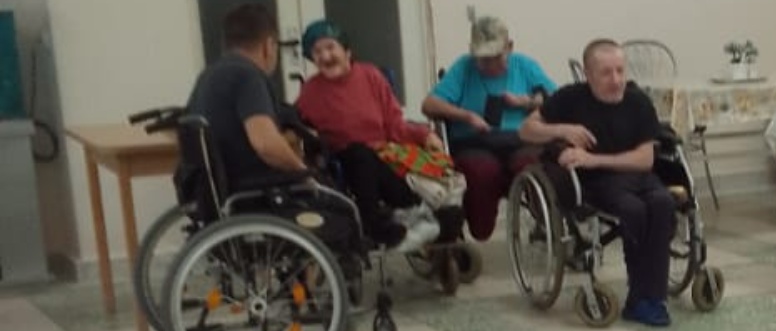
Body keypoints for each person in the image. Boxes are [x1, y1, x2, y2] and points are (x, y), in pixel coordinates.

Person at [519, 39, 676, 327]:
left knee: (663, 203)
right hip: (596, 183)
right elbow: (526, 130)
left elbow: (645, 160)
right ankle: (643, 298)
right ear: (588, 74)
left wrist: (594, 159)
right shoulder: (570, 98)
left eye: (620, 71)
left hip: (636, 174)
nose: (616, 80)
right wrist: (563, 129)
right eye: (606, 73)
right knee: (633, 209)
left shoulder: (638, 102)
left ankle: (650, 298)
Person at [293, 19, 440, 253]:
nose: (325, 56)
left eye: (330, 47)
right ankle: (376, 225)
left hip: (385, 154)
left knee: (408, 164)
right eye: (317, 52)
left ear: (347, 51)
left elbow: (395, 124)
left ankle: (415, 213)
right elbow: (295, 125)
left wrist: (425, 135)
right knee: (359, 154)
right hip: (344, 160)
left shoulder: (371, 76)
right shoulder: (310, 92)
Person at [421, 16, 559, 241]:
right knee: (482, 171)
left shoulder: (524, 65)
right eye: (483, 59)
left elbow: (557, 99)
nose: (490, 65)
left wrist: (525, 102)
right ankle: (480, 229)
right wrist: (467, 115)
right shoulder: (464, 67)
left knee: (534, 164)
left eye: (496, 57)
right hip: (473, 142)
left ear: (509, 47)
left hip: (520, 140)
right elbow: (429, 105)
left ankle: (548, 225)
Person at [176, 2, 311, 207]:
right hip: (251, 192)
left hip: (215, 192)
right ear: (268, 46)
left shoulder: (207, 76)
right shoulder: (248, 76)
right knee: (337, 204)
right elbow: (266, 145)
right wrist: (304, 173)